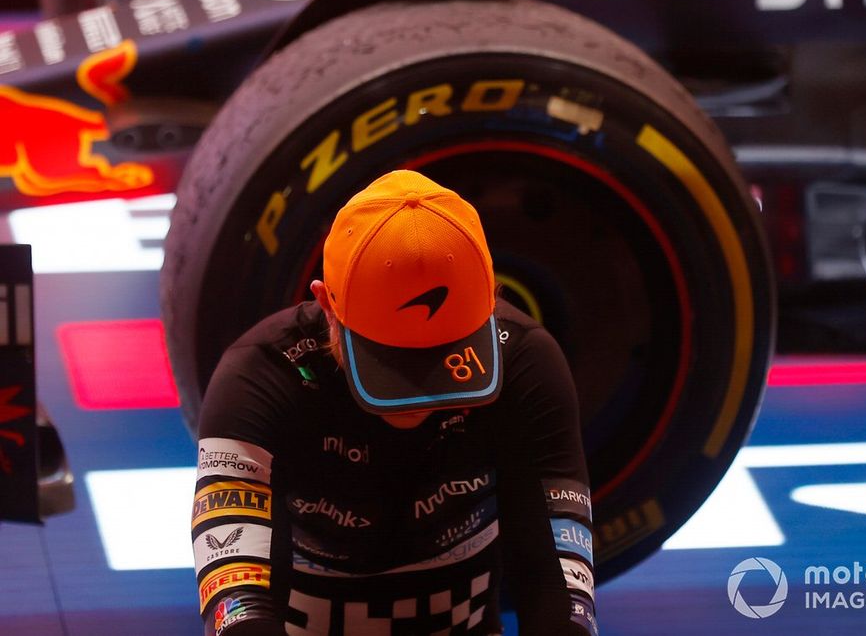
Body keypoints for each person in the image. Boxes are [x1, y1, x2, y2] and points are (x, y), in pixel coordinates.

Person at [191, 170, 598, 635]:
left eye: (447, 360)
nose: (419, 398)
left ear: (490, 301)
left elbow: (561, 589)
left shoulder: (525, 360)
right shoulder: (261, 374)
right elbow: (238, 605)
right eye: (393, 363)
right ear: (327, 304)